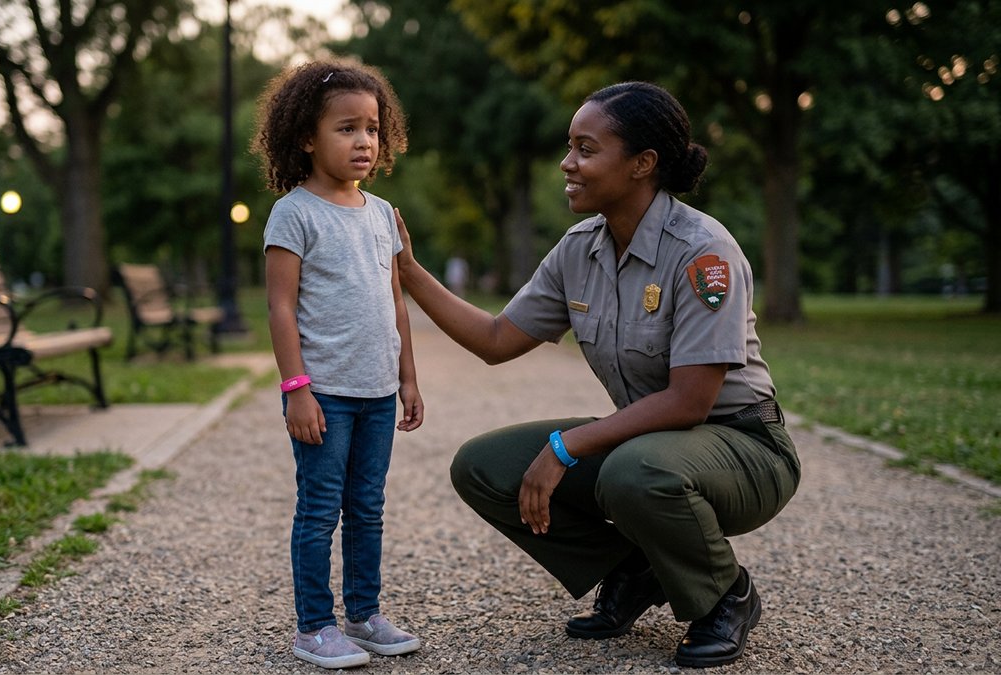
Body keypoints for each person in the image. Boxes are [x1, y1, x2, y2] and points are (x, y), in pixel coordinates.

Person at [393, 81, 800, 668]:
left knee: (635, 474)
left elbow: (689, 402)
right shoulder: (578, 249)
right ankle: (633, 572)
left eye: (586, 149)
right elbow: (495, 340)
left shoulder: (703, 251)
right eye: (570, 146)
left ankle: (724, 594)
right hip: (652, 444)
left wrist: (565, 446)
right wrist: (408, 269)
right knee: (485, 468)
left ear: (642, 164)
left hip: (744, 445)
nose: (568, 163)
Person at [251, 60, 425, 670]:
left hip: (378, 391)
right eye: (346, 128)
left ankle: (365, 615)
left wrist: (408, 377)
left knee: (368, 508)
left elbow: (394, 299)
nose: (364, 142)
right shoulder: (293, 213)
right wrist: (297, 389)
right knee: (320, 508)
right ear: (306, 137)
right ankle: (313, 626)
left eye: (373, 129)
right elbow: (279, 306)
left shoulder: (381, 214)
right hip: (322, 393)